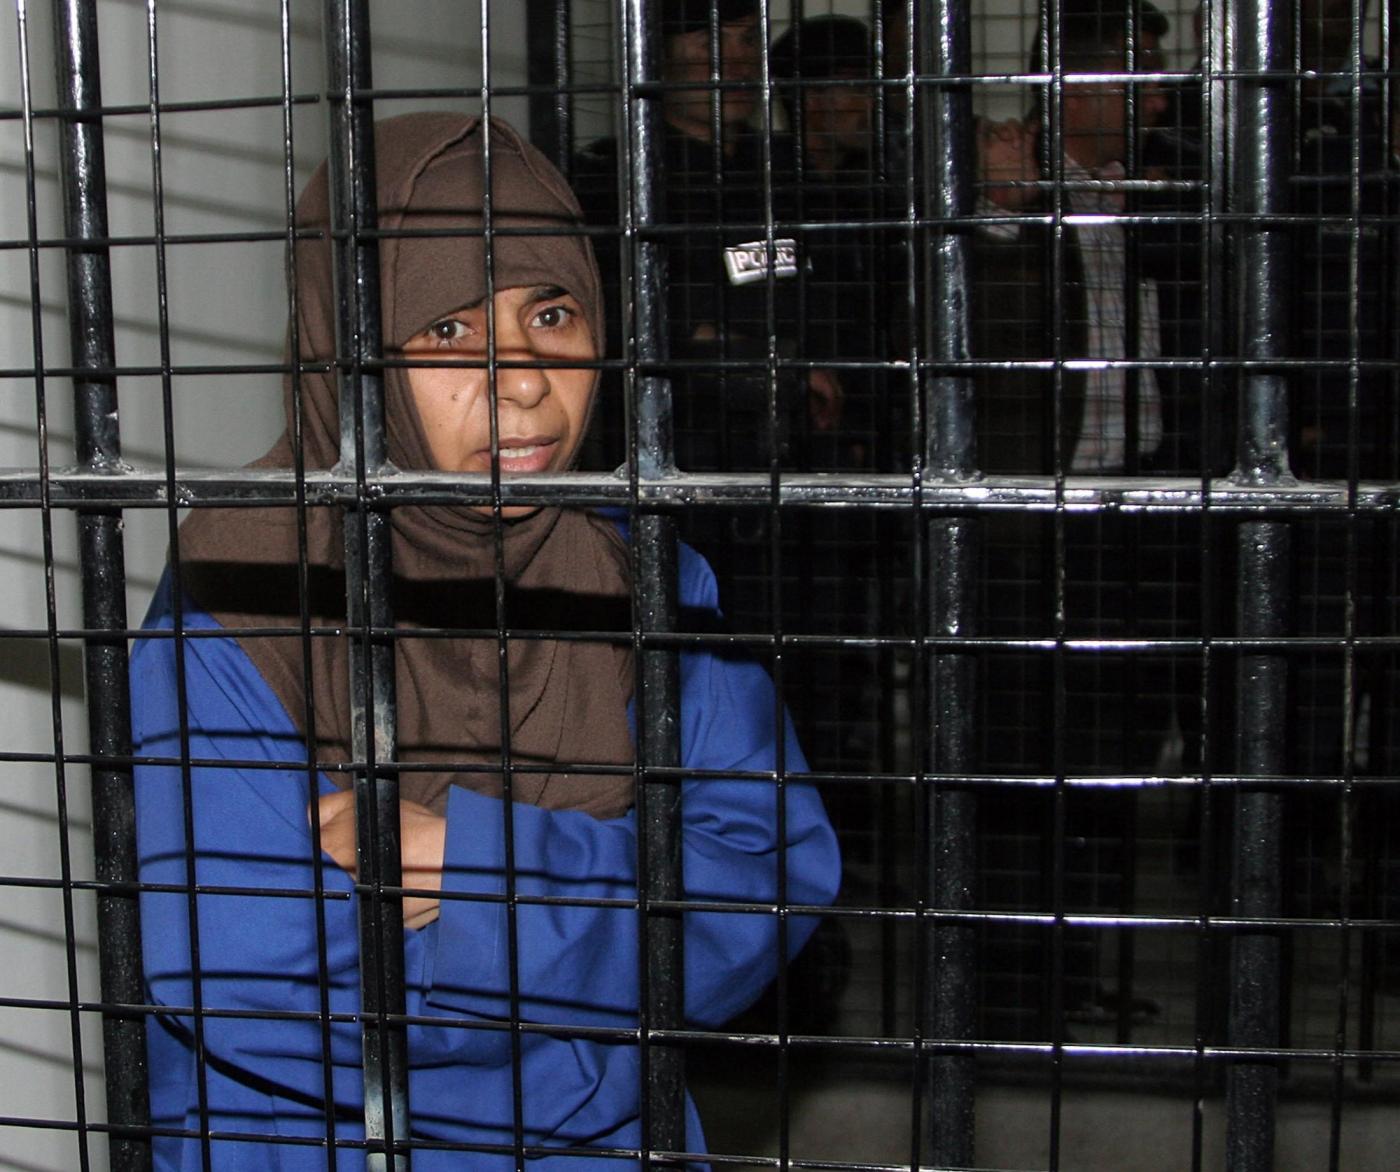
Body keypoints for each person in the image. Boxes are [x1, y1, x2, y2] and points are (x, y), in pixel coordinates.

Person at [131, 112, 840, 1170]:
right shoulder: (241, 596)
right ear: (350, 353)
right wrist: (591, 1043)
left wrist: (484, 872)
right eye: (448, 329)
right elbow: (254, 979)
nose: (524, 377)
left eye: (552, 312)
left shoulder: (640, 576)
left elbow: (764, 880)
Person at [969, 0, 1190, 1039]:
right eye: (1137, 77)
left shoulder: (1153, 190)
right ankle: (1016, 986)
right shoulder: (1004, 187)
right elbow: (971, 323)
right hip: (1032, 526)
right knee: (1022, 756)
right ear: (1076, 84)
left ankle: (1083, 963)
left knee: (1111, 750)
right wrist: (999, 209)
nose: (1158, 100)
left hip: (1132, 510)